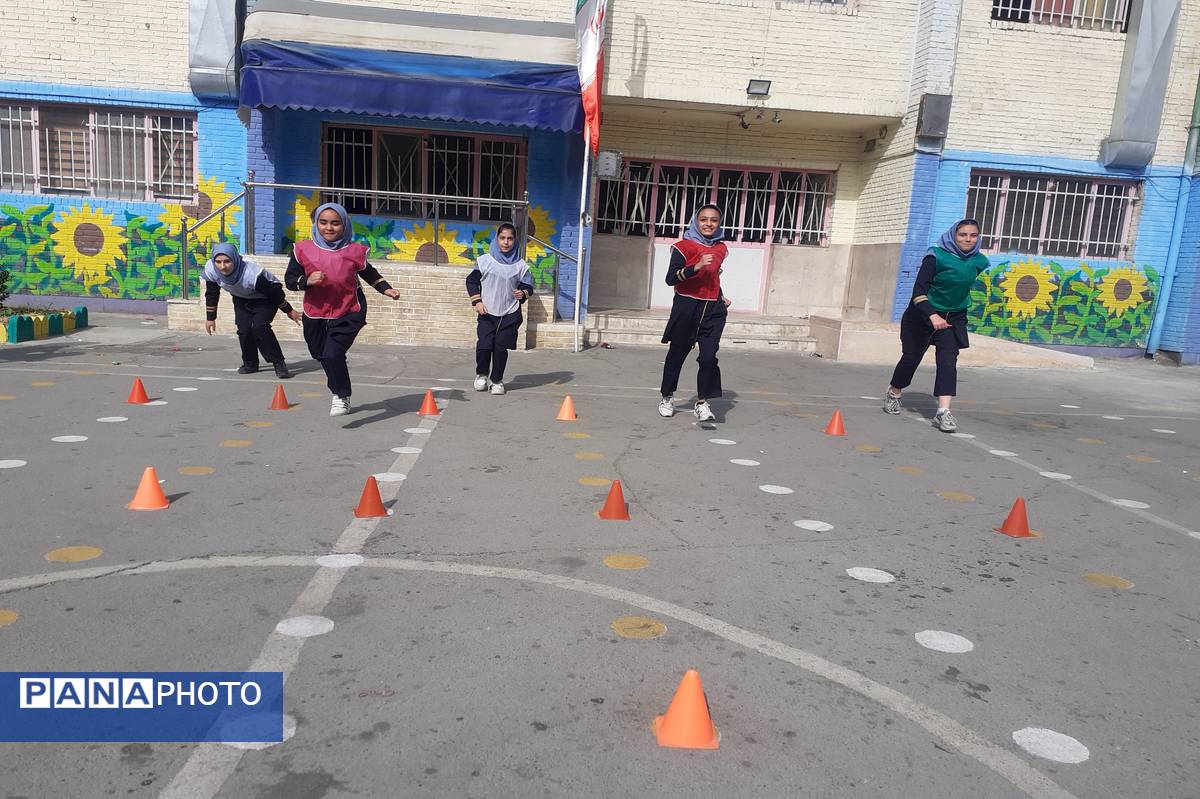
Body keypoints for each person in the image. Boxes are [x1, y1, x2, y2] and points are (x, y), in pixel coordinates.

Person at [284, 202, 400, 416]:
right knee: (319, 353)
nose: (329, 228)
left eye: (335, 223)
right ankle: (337, 381)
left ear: (344, 225)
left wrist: (386, 289)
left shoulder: (354, 251)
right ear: (315, 223)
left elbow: (370, 274)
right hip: (315, 312)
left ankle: (341, 395)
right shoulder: (302, 250)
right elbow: (290, 281)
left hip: (349, 310)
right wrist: (306, 281)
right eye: (324, 222)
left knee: (332, 353)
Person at [883, 218, 990, 432]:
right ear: (953, 235)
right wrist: (932, 315)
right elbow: (919, 292)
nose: (968, 239)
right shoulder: (935, 256)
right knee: (911, 357)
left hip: (953, 317)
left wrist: (950, 313)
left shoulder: (978, 261)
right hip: (921, 315)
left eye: (973, 235)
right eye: (963, 235)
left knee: (948, 360)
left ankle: (943, 413)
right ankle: (894, 392)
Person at [658, 204, 732, 422]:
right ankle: (667, 397)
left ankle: (702, 402)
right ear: (696, 221)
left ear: (719, 223)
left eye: (714, 220)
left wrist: (720, 295)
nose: (709, 223)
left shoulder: (721, 249)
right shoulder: (683, 247)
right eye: (704, 219)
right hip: (687, 307)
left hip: (713, 310)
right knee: (677, 355)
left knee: (708, 357)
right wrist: (696, 266)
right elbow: (671, 278)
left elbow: (713, 278)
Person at [202, 242, 300, 378]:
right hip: (241, 297)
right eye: (218, 262)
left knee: (260, 327)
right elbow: (212, 293)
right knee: (244, 329)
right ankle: (250, 363)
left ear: (235, 259)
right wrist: (210, 318)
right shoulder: (211, 270)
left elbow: (273, 294)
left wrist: (289, 311)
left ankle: (278, 362)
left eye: (227, 261)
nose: (222, 266)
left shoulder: (251, 274)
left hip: (266, 297)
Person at [466, 223, 534, 395]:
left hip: (509, 313)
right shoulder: (485, 261)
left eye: (510, 238)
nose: (506, 242)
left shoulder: (521, 265)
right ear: (496, 239)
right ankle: (481, 375)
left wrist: (523, 293)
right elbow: (471, 281)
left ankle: (497, 380)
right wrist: (477, 302)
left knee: (500, 348)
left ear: (515, 241)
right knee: (484, 345)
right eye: (502, 238)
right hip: (487, 312)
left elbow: (528, 286)